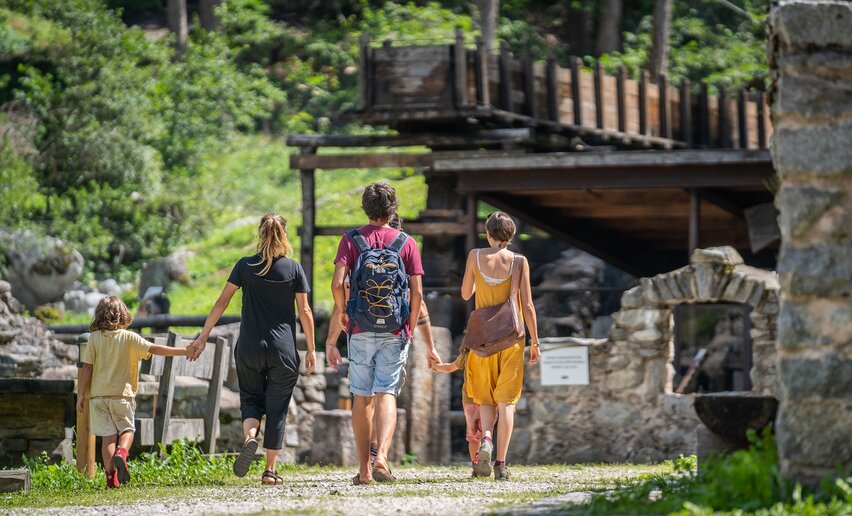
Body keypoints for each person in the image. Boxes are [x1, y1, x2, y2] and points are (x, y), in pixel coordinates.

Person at [188, 213, 316, 486]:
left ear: (260, 233)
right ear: (284, 235)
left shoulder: (245, 266)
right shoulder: (293, 269)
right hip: (283, 350)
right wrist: (312, 349)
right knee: (277, 409)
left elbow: (221, 303)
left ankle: (249, 438)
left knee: (250, 401)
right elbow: (304, 311)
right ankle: (270, 471)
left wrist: (202, 337)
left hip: (248, 348)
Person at [331, 182, 436, 485]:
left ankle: (364, 471)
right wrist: (410, 324)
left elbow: (338, 284)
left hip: (360, 327)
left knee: (361, 396)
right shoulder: (406, 242)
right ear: (393, 209)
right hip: (395, 327)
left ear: (365, 208)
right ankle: (382, 458)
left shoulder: (351, 240)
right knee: (386, 392)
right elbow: (417, 291)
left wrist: (343, 312)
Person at [77, 296, 190, 489]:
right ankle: (122, 453)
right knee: (128, 430)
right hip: (122, 395)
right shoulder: (129, 337)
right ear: (123, 315)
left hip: (98, 397)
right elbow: (155, 349)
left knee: (107, 439)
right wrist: (184, 351)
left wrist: (80, 395)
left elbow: (87, 368)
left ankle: (110, 479)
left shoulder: (94, 339)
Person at [461, 212, 541, 481]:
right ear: (511, 235)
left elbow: (465, 293)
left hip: (483, 340)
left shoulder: (475, 255)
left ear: (488, 233)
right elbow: (527, 305)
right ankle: (500, 465)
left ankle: (486, 437)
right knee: (506, 402)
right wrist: (535, 342)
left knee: (485, 398)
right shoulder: (519, 261)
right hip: (512, 341)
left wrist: (481, 281)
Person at [431, 344, 489, 477]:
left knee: (473, 437)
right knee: (488, 432)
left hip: (470, 400)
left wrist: (436, 366)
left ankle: (476, 465)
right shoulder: (494, 352)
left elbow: (450, 367)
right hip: (490, 400)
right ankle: (488, 455)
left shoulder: (468, 354)